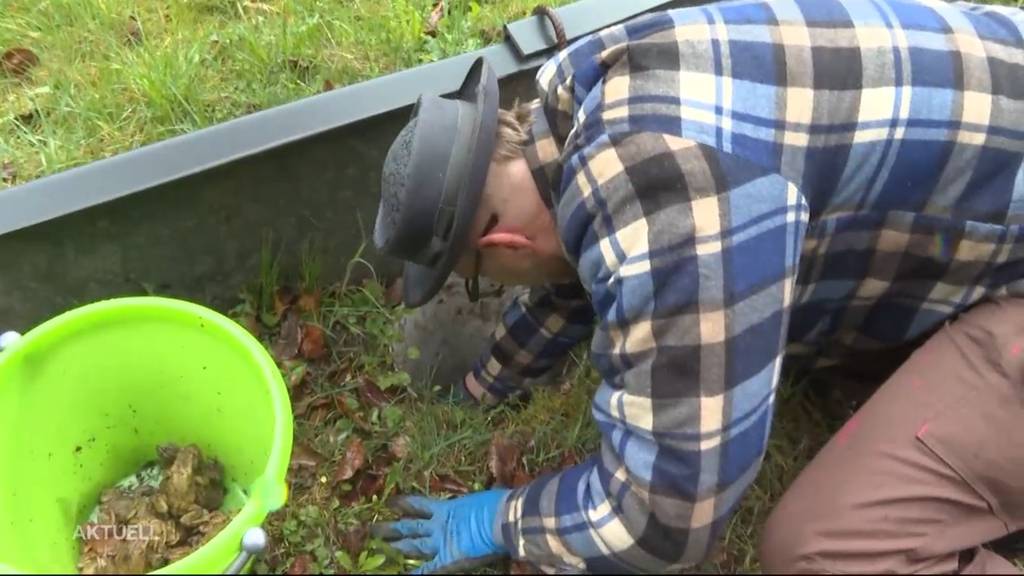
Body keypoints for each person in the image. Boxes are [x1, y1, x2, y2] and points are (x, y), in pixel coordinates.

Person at [369, 0, 1024, 572]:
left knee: (825, 551)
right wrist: (481, 389)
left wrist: (503, 521)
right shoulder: (587, 89)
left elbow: (665, 514)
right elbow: (567, 271)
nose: (498, 291)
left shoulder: (666, 203)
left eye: (484, 284)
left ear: (504, 246)